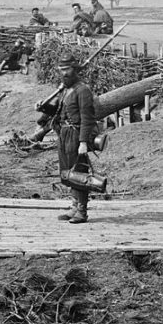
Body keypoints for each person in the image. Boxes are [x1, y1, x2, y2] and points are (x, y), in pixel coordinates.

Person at [53, 52, 98, 224]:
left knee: (79, 173)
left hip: (76, 135)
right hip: (64, 134)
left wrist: (83, 142)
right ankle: (73, 207)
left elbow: (88, 119)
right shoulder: (65, 90)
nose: (64, 73)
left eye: (67, 69)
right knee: (68, 173)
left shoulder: (83, 90)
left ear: (75, 69)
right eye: (61, 70)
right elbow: (61, 112)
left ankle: (82, 211)